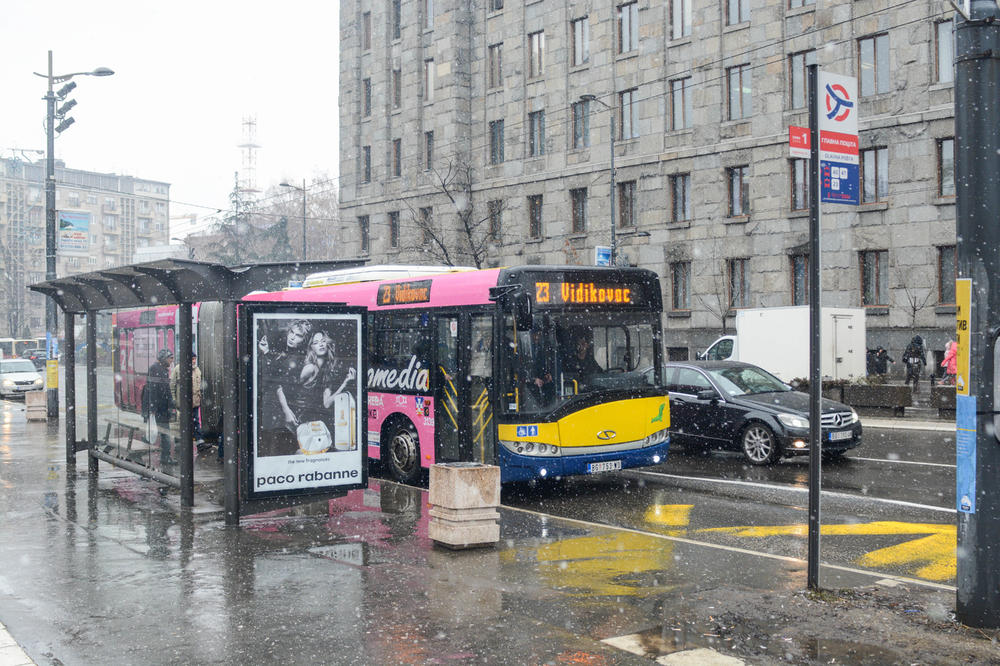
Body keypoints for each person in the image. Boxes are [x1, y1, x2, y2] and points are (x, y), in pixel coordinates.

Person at [170, 353, 207, 451]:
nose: (194, 361)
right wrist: (174, 399)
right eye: (192, 359)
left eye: (195, 359)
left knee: (195, 422)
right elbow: (172, 385)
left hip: (195, 402)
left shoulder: (197, 370)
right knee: (182, 423)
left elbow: (199, 386)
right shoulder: (178, 369)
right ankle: (179, 443)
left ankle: (200, 443)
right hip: (183, 403)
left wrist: (200, 397)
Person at [147, 348, 176, 466]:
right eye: (170, 358)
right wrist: (153, 408)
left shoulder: (162, 369)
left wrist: (171, 403)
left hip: (161, 408)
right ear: (164, 358)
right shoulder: (155, 369)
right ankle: (165, 457)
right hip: (158, 409)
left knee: (160, 433)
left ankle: (165, 456)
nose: (172, 361)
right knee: (164, 434)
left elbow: (166, 389)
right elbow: (153, 389)